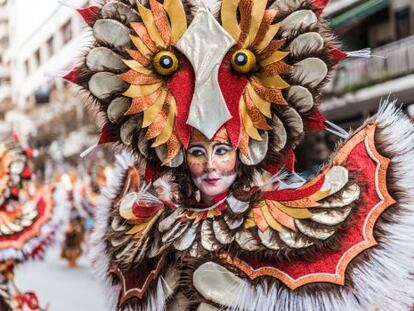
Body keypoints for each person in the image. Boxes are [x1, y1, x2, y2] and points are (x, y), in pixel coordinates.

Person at [66, 0, 414, 309]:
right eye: (198, 152)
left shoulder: (277, 215)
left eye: (222, 150)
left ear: (242, 152)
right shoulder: (159, 220)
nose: (211, 165)